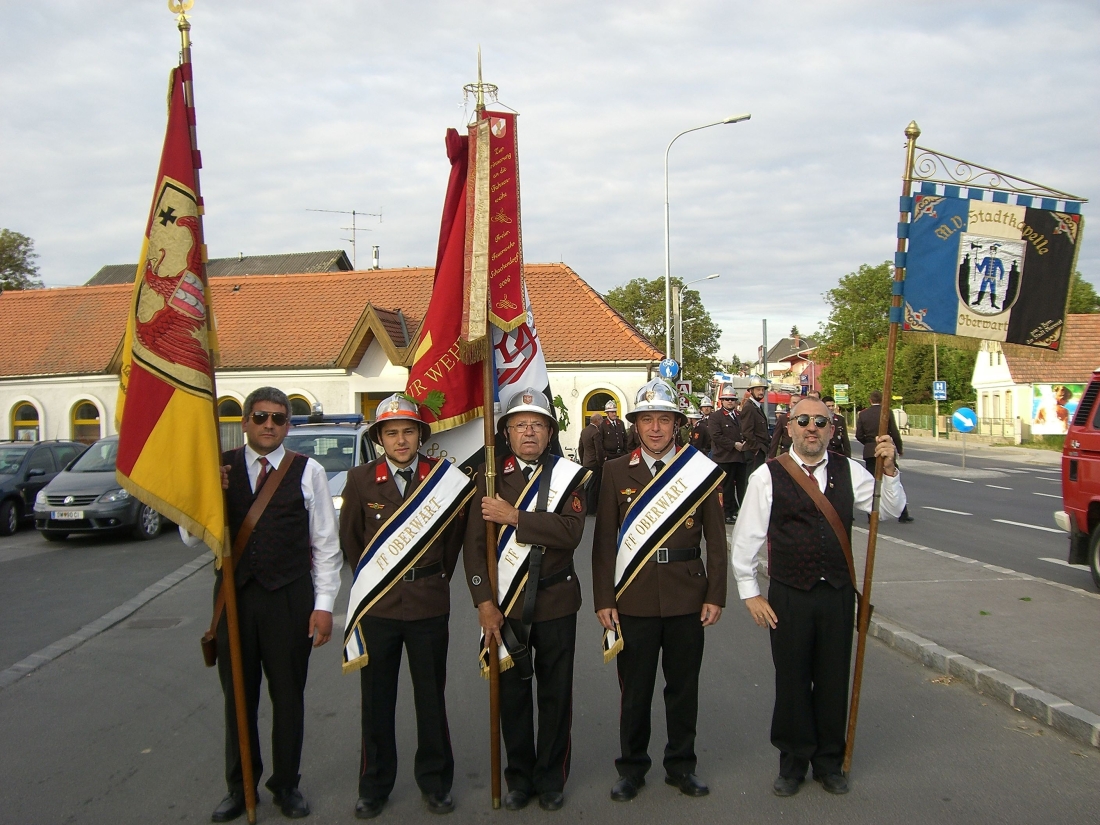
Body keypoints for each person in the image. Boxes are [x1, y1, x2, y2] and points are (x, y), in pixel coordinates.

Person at [731, 396, 907, 798]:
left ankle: (829, 761)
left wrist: (891, 469)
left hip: (837, 596)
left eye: (822, 422)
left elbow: (891, 510)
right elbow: (745, 541)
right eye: (804, 421)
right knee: (792, 680)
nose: (813, 428)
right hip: (789, 596)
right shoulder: (768, 475)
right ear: (790, 427)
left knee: (832, 679)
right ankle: (792, 763)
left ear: (832, 429)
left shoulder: (852, 471)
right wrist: (750, 594)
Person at [188, 387, 341, 823]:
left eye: (278, 418)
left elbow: (326, 544)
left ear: (288, 425)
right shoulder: (220, 467)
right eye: (260, 417)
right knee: (238, 698)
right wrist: (207, 495)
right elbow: (189, 537)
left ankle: (286, 785)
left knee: (288, 697)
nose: (269, 425)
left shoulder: (307, 470)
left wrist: (324, 603)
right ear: (245, 422)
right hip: (235, 599)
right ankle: (240, 788)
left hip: (290, 597)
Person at [339, 394, 474, 819]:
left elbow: (452, 541)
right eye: (392, 432)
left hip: (428, 604)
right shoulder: (361, 480)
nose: (401, 440)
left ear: (420, 435)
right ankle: (374, 785)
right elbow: (351, 542)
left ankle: (435, 783)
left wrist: (432, 577)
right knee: (376, 700)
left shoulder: (442, 478)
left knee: (430, 698)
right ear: (380, 438)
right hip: (378, 606)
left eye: (408, 431)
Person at [593, 378, 727, 803]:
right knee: (635, 690)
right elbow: (602, 545)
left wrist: (715, 594)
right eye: (647, 420)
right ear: (635, 424)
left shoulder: (699, 469)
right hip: (633, 596)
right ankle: (631, 769)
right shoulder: (615, 471)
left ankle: (681, 766)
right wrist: (604, 600)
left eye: (663, 420)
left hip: (688, 594)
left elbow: (716, 541)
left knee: (683, 687)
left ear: (677, 425)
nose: (655, 429)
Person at [464, 389, 590, 812]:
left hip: (556, 601)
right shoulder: (487, 478)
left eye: (537, 424)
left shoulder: (569, 475)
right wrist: (484, 601)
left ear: (550, 432)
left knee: (556, 695)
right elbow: (473, 548)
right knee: (513, 697)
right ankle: (518, 778)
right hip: (506, 606)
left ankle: (551, 778)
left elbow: (571, 531)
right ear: (506, 432)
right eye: (520, 425)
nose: (529, 432)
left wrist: (515, 517)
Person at [856, 390, 913, 523]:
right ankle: (902, 514)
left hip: (870, 451)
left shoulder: (863, 414)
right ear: (881, 400)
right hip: (886, 449)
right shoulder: (887, 412)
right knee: (893, 479)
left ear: (870, 400)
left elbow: (859, 435)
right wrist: (899, 448)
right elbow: (894, 432)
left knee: (871, 482)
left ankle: (871, 515)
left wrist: (869, 443)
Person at [707, 384, 746, 525]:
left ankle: (738, 511)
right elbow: (716, 436)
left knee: (742, 486)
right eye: (727, 399)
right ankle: (727, 513)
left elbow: (745, 432)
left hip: (740, 458)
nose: (730, 402)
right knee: (726, 488)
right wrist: (733, 444)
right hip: (724, 457)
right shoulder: (715, 417)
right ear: (722, 401)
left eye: (732, 399)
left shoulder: (740, 416)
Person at [738, 376, 770, 475]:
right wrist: (756, 449)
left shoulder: (756, 406)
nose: (761, 392)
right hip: (754, 451)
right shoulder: (749, 407)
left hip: (758, 450)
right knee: (752, 479)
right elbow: (747, 431)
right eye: (758, 389)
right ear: (751, 391)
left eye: (762, 389)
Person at [578, 412, 605, 513]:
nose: (602, 422)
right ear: (597, 420)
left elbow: (580, 448)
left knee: (588, 485)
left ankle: (586, 507)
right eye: (601, 419)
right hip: (594, 463)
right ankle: (592, 509)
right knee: (594, 486)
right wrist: (601, 462)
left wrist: (582, 460)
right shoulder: (595, 432)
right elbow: (599, 450)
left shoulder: (584, 431)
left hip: (586, 462)